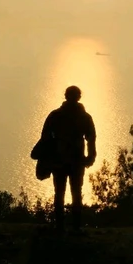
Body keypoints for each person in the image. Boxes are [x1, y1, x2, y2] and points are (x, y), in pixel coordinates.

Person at [39, 85, 96, 233]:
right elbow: (91, 138)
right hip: (72, 160)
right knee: (73, 192)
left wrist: (90, 156)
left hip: (64, 160)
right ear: (78, 97)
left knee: (62, 192)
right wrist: (90, 156)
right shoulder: (84, 117)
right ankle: (73, 227)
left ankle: (62, 226)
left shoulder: (56, 115)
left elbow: (45, 138)